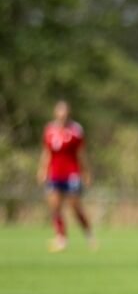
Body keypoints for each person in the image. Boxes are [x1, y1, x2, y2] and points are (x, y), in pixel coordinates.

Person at [37, 100, 95, 252]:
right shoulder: (49, 130)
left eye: (65, 113)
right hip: (55, 173)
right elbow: (47, 152)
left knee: (75, 206)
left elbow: (81, 153)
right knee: (55, 206)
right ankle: (61, 238)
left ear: (69, 114)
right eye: (60, 113)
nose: (63, 116)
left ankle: (89, 234)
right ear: (55, 113)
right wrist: (43, 169)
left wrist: (86, 172)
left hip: (72, 173)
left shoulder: (76, 130)